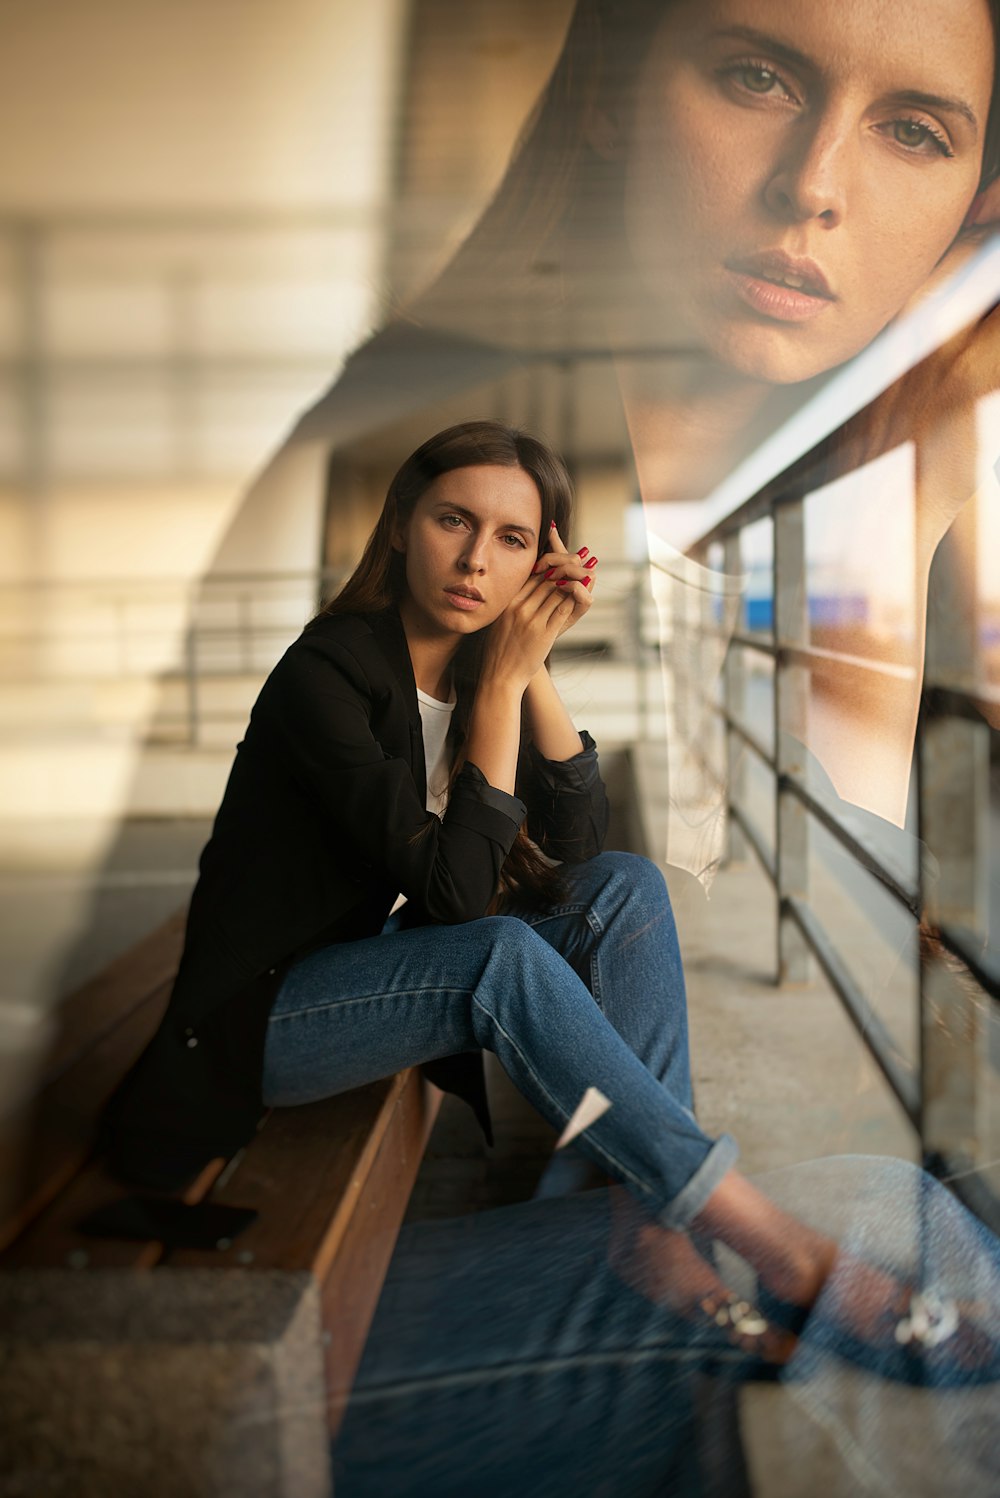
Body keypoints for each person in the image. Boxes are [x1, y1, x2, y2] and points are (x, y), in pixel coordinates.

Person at [100, 420, 998, 1387]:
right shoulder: (328, 675)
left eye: (514, 539)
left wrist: (526, 672)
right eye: (454, 520)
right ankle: (769, 1239)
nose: (476, 560)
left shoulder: (471, 667)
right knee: (500, 959)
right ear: (402, 524)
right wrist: (503, 685)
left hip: (354, 963)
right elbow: (457, 901)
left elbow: (575, 855)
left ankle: (645, 1229)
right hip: (251, 1023)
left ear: (543, 562)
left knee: (627, 888)